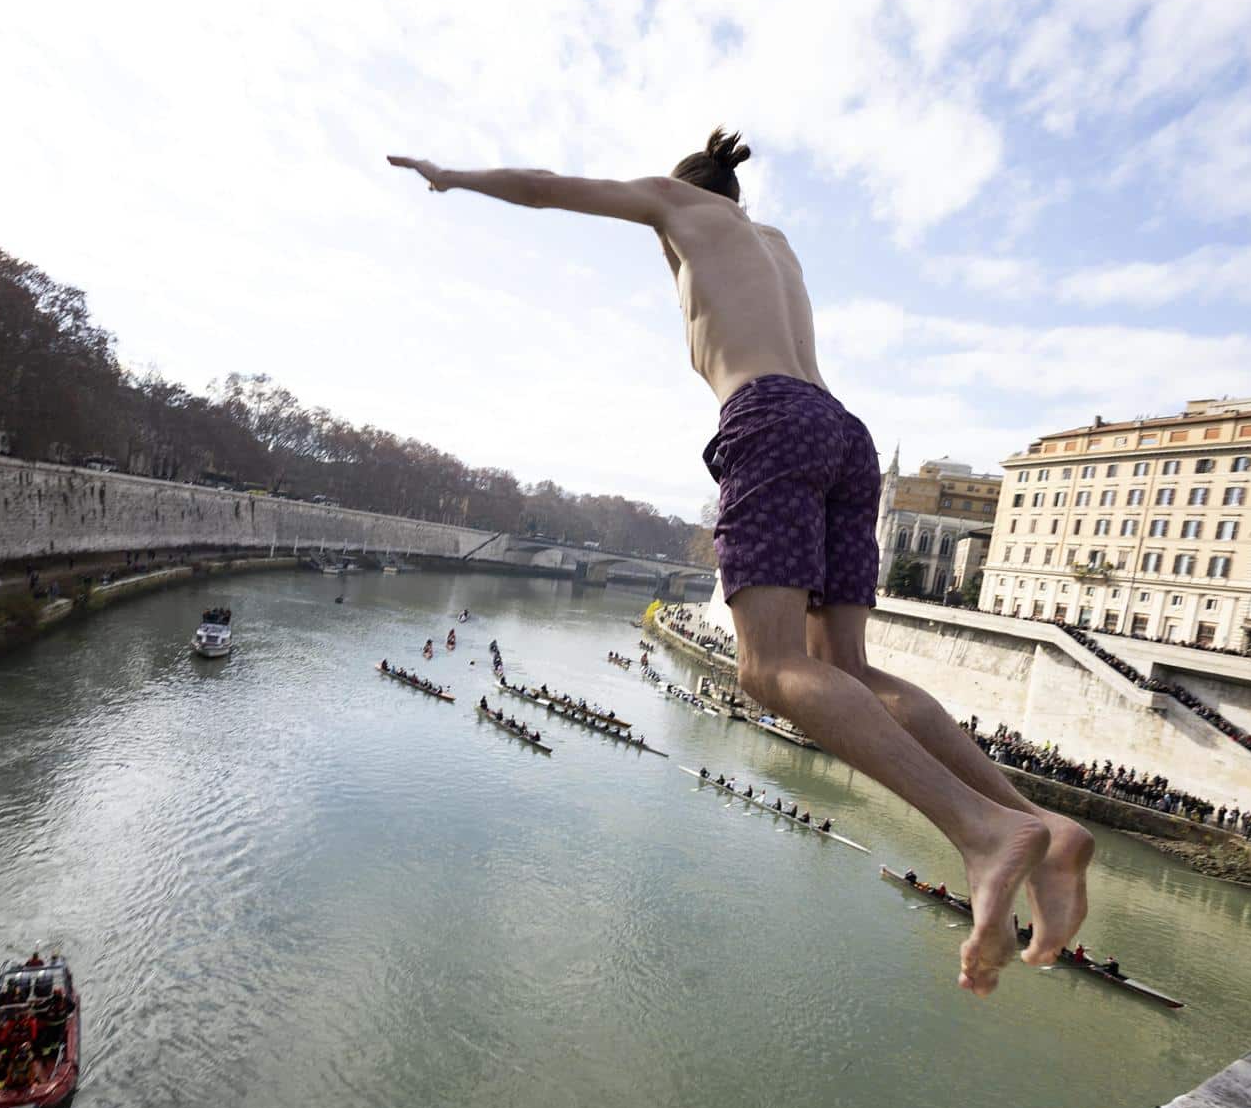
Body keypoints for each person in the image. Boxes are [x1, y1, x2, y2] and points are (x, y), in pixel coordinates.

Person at [392, 129, 1093, 996]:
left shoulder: (678, 206)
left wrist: (449, 177)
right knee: (851, 673)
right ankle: (1042, 828)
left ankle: (985, 832)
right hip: (846, 433)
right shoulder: (778, 246)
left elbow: (542, 187)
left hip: (769, 418)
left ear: (681, 202)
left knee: (768, 669)